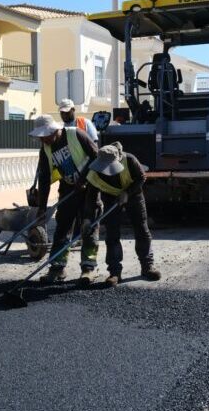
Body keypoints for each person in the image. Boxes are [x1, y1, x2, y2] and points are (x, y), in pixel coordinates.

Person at [29, 114, 99, 285]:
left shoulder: (76, 134)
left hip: (90, 187)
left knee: (88, 226)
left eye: (45, 136)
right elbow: (44, 178)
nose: (43, 140)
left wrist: (83, 178)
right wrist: (42, 207)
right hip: (69, 188)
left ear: (54, 130)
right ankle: (57, 268)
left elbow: (97, 157)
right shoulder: (45, 148)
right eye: (40, 137)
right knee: (62, 228)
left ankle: (88, 268)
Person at [85, 143, 161, 287]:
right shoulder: (94, 172)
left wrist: (127, 193)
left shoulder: (130, 160)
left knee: (142, 229)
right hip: (110, 197)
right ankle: (114, 272)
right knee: (112, 234)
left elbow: (141, 177)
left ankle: (147, 266)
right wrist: (88, 218)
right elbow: (91, 197)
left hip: (133, 195)